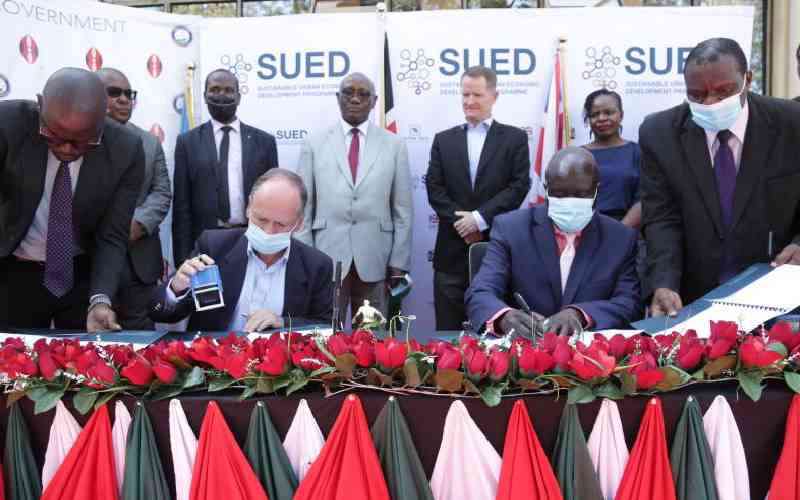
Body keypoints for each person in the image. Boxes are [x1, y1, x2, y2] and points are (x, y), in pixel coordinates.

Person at [641, 37, 800, 317]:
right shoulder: (660, 133)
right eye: (697, 95)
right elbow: (661, 218)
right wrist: (663, 283)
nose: (711, 103)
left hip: (779, 293)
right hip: (693, 301)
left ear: (747, 79)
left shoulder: (792, 123)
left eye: (723, 92)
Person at [0, 68, 144, 332]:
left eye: (83, 142)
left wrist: (100, 300)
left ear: (102, 120)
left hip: (80, 277)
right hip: (12, 272)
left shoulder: (126, 149)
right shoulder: (6, 124)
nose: (67, 149)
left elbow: (112, 234)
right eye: (54, 137)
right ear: (41, 107)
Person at [466, 146, 641, 337]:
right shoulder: (510, 229)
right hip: (525, 347)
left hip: (591, 350)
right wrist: (504, 317)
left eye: (580, 194)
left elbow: (629, 303)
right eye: (559, 193)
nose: (569, 201)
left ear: (596, 190)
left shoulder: (620, 238)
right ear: (546, 188)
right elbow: (481, 292)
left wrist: (580, 315)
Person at [150, 169, 334, 331]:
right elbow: (159, 313)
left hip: (279, 359)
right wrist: (176, 289)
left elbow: (325, 326)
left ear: (299, 223)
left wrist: (283, 323)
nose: (268, 231)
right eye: (261, 220)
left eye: (280, 224)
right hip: (215, 355)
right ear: (248, 208)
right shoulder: (214, 247)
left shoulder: (316, 265)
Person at [296, 72, 412, 322]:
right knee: (325, 334)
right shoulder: (313, 143)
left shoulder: (394, 145)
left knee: (373, 337)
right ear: (338, 98)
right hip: (326, 257)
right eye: (348, 93)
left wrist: (399, 261)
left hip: (376, 257)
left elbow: (402, 210)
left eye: (363, 94)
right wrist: (306, 257)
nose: (355, 99)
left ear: (374, 101)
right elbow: (303, 208)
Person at [426, 65, 531, 331]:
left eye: (477, 95)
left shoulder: (515, 138)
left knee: (496, 333)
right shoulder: (443, 140)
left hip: (498, 251)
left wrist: (479, 219)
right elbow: (435, 189)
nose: (469, 101)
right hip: (451, 255)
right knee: (448, 334)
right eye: (465, 95)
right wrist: (464, 224)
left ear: (494, 96)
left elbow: (519, 186)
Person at [172, 68, 278, 266]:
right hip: (204, 243)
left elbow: (273, 202)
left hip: (253, 240)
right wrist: (182, 259)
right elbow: (181, 207)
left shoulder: (264, 142)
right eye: (214, 89)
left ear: (238, 97)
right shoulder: (188, 142)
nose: (221, 95)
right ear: (205, 96)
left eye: (229, 90)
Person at [97, 68, 171, 330]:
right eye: (114, 92)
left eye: (129, 94)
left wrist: (137, 224)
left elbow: (162, 193)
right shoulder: (77, 138)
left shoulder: (149, 142)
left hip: (139, 259)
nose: (124, 99)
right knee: (90, 339)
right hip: (90, 261)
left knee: (142, 339)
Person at [581, 89, 641, 228]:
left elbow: (643, 200)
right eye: (595, 114)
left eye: (608, 112)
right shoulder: (578, 156)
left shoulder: (637, 152)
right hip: (585, 230)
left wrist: (618, 233)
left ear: (621, 115)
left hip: (626, 231)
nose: (601, 118)